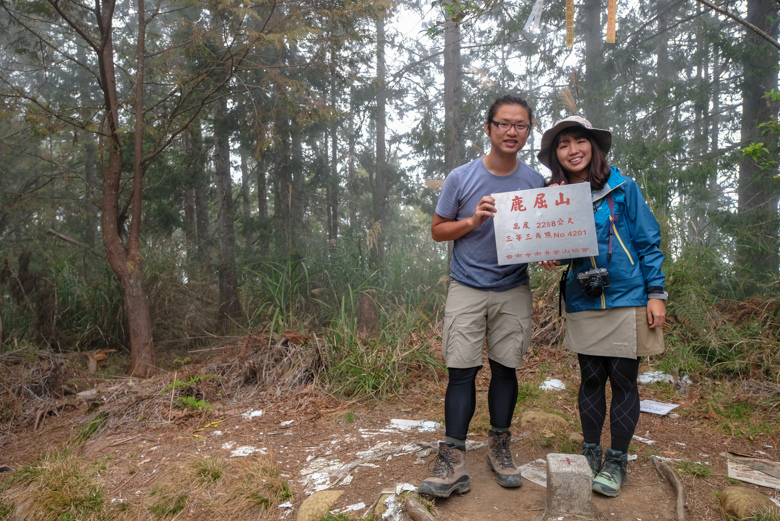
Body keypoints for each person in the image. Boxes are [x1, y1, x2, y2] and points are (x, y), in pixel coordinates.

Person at [419, 95, 545, 498]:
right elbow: (438, 230)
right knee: (462, 371)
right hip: (467, 285)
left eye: (520, 125)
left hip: (513, 287)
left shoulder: (534, 182)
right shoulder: (461, 177)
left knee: (506, 368)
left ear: (529, 131)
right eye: (504, 124)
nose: (512, 132)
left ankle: (500, 446)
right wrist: (472, 220)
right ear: (489, 128)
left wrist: (548, 252)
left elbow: (542, 238)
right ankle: (453, 457)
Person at [537, 115, 667, 497]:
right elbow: (565, 249)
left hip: (628, 295)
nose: (572, 150)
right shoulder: (556, 197)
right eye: (563, 145)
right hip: (583, 297)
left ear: (593, 146)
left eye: (579, 141)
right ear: (556, 156)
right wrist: (551, 257)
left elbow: (647, 242)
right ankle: (590, 451)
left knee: (624, 380)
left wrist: (656, 293)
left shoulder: (624, 188)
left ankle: (616, 461)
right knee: (591, 378)